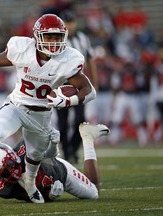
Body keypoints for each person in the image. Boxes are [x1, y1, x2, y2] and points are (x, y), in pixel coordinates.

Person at [0, 14, 96, 203]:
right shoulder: (23, 49)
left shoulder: (69, 58)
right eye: (49, 37)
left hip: (42, 115)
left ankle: (30, 185)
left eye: (57, 37)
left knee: (34, 157)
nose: (54, 42)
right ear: (37, 37)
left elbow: (89, 91)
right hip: (17, 106)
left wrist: (68, 101)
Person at [0, 123, 110, 202]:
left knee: (94, 193)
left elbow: (50, 156)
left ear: (12, 155)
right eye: (4, 173)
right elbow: (32, 196)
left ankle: (87, 137)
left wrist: (54, 144)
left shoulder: (25, 148)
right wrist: (51, 195)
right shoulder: (2, 188)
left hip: (60, 172)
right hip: (47, 184)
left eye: (9, 166)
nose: (10, 172)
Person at [56, 10, 98, 162]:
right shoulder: (58, 39)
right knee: (63, 121)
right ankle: (66, 153)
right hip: (61, 84)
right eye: (66, 23)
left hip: (80, 84)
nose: (69, 26)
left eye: (71, 23)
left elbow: (90, 61)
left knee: (80, 119)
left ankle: (73, 149)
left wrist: (94, 82)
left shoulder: (82, 38)